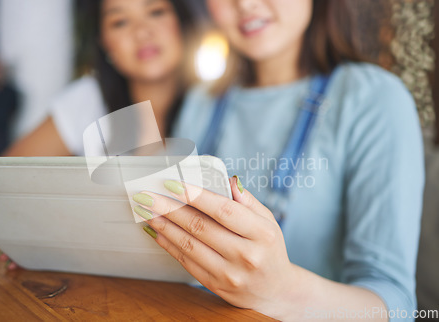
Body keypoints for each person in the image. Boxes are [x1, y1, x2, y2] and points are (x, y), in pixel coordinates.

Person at [131, 0, 424, 320]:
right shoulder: (202, 102)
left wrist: (282, 291)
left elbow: (397, 307)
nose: (245, 4)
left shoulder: (374, 98)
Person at [4, 0, 198, 157]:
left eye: (155, 11)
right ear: (104, 43)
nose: (141, 32)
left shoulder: (217, 97)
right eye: (120, 22)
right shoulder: (88, 100)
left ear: (181, 21)